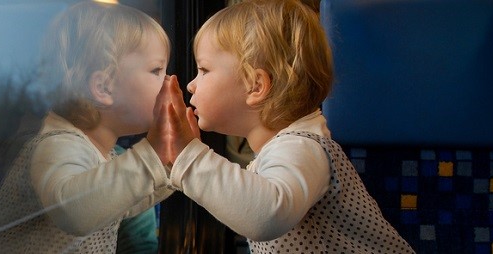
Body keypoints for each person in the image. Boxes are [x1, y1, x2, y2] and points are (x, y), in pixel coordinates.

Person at [149, 0, 415, 253]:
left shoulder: (302, 147)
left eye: (204, 70)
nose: (191, 85)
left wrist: (191, 157)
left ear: (256, 86)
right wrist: (180, 159)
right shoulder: (280, 149)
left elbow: (266, 217)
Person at [0, 2, 173, 253]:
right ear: (103, 87)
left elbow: (119, 202)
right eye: (156, 70)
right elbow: (75, 212)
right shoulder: (57, 144)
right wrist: (151, 156)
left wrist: (170, 166)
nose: (169, 81)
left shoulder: (102, 153)